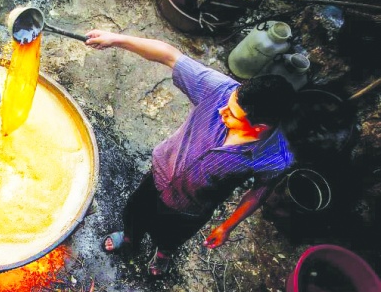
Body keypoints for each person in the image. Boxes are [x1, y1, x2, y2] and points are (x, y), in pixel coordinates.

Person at [84, 30, 295, 276]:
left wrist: (227, 227)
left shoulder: (275, 158)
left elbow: (257, 194)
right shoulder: (220, 90)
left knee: (172, 236)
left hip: (191, 207)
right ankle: (130, 239)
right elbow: (170, 56)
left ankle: (163, 255)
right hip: (157, 177)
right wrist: (116, 39)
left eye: (232, 114)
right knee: (134, 212)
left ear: (260, 127)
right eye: (229, 103)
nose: (222, 111)